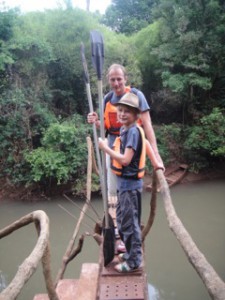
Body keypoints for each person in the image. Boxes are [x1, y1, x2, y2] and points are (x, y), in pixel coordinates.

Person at [98, 93, 163, 273]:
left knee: (129, 224)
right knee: (121, 219)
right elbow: (144, 146)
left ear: (136, 115)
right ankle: (129, 252)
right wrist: (156, 162)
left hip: (130, 186)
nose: (122, 114)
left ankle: (134, 261)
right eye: (120, 110)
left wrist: (105, 149)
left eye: (127, 111)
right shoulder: (126, 129)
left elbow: (126, 160)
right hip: (123, 185)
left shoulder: (133, 131)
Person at [87, 63, 164, 198]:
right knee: (112, 189)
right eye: (112, 80)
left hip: (132, 148)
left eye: (119, 79)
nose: (116, 83)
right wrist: (96, 121)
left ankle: (128, 212)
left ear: (125, 78)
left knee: (129, 187)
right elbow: (106, 126)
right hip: (113, 147)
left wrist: (156, 155)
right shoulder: (107, 99)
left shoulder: (136, 95)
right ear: (108, 80)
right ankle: (116, 212)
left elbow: (147, 125)